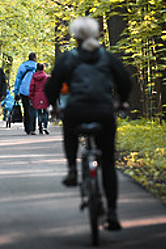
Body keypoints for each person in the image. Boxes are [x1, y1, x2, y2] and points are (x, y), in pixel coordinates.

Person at [44, 17, 131, 231]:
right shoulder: (107, 57)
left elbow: (51, 85)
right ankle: (112, 213)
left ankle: (72, 170)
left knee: (70, 129)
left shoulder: (69, 58)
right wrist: (121, 101)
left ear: (75, 38)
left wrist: (54, 106)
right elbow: (125, 81)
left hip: (76, 109)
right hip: (104, 110)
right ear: (96, 35)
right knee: (108, 162)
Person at [14, 52, 37, 135]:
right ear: (34, 58)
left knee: (26, 109)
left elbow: (18, 79)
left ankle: (27, 128)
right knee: (33, 109)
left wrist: (16, 92)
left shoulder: (22, 66)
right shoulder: (37, 66)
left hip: (23, 90)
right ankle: (32, 128)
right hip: (34, 91)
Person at [29, 63, 50, 134]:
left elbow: (32, 87)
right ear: (43, 68)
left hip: (37, 95)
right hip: (45, 95)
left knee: (39, 113)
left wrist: (31, 96)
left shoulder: (34, 77)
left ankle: (40, 127)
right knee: (46, 112)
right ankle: (45, 126)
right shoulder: (46, 77)